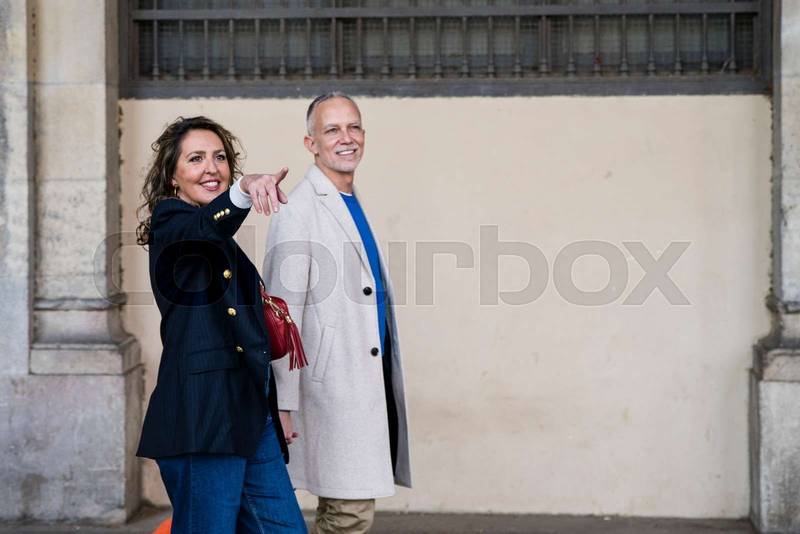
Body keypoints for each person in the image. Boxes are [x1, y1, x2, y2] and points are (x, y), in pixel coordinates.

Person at [135, 116, 307, 533]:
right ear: (172, 176)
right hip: (204, 418)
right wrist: (244, 190)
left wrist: (276, 404)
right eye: (195, 159)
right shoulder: (171, 221)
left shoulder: (218, 237)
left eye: (220, 158)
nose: (211, 167)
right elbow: (203, 228)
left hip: (251, 414)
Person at [263, 93, 411, 533]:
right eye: (332, 130)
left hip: (363, 381)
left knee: (345, 511)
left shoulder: (349, 198)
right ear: (311, 143)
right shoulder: (299, 211)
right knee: (349, 515)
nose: (347, 138)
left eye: (354, 127)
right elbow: (280, 316)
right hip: (331, 389)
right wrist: (283, 402)